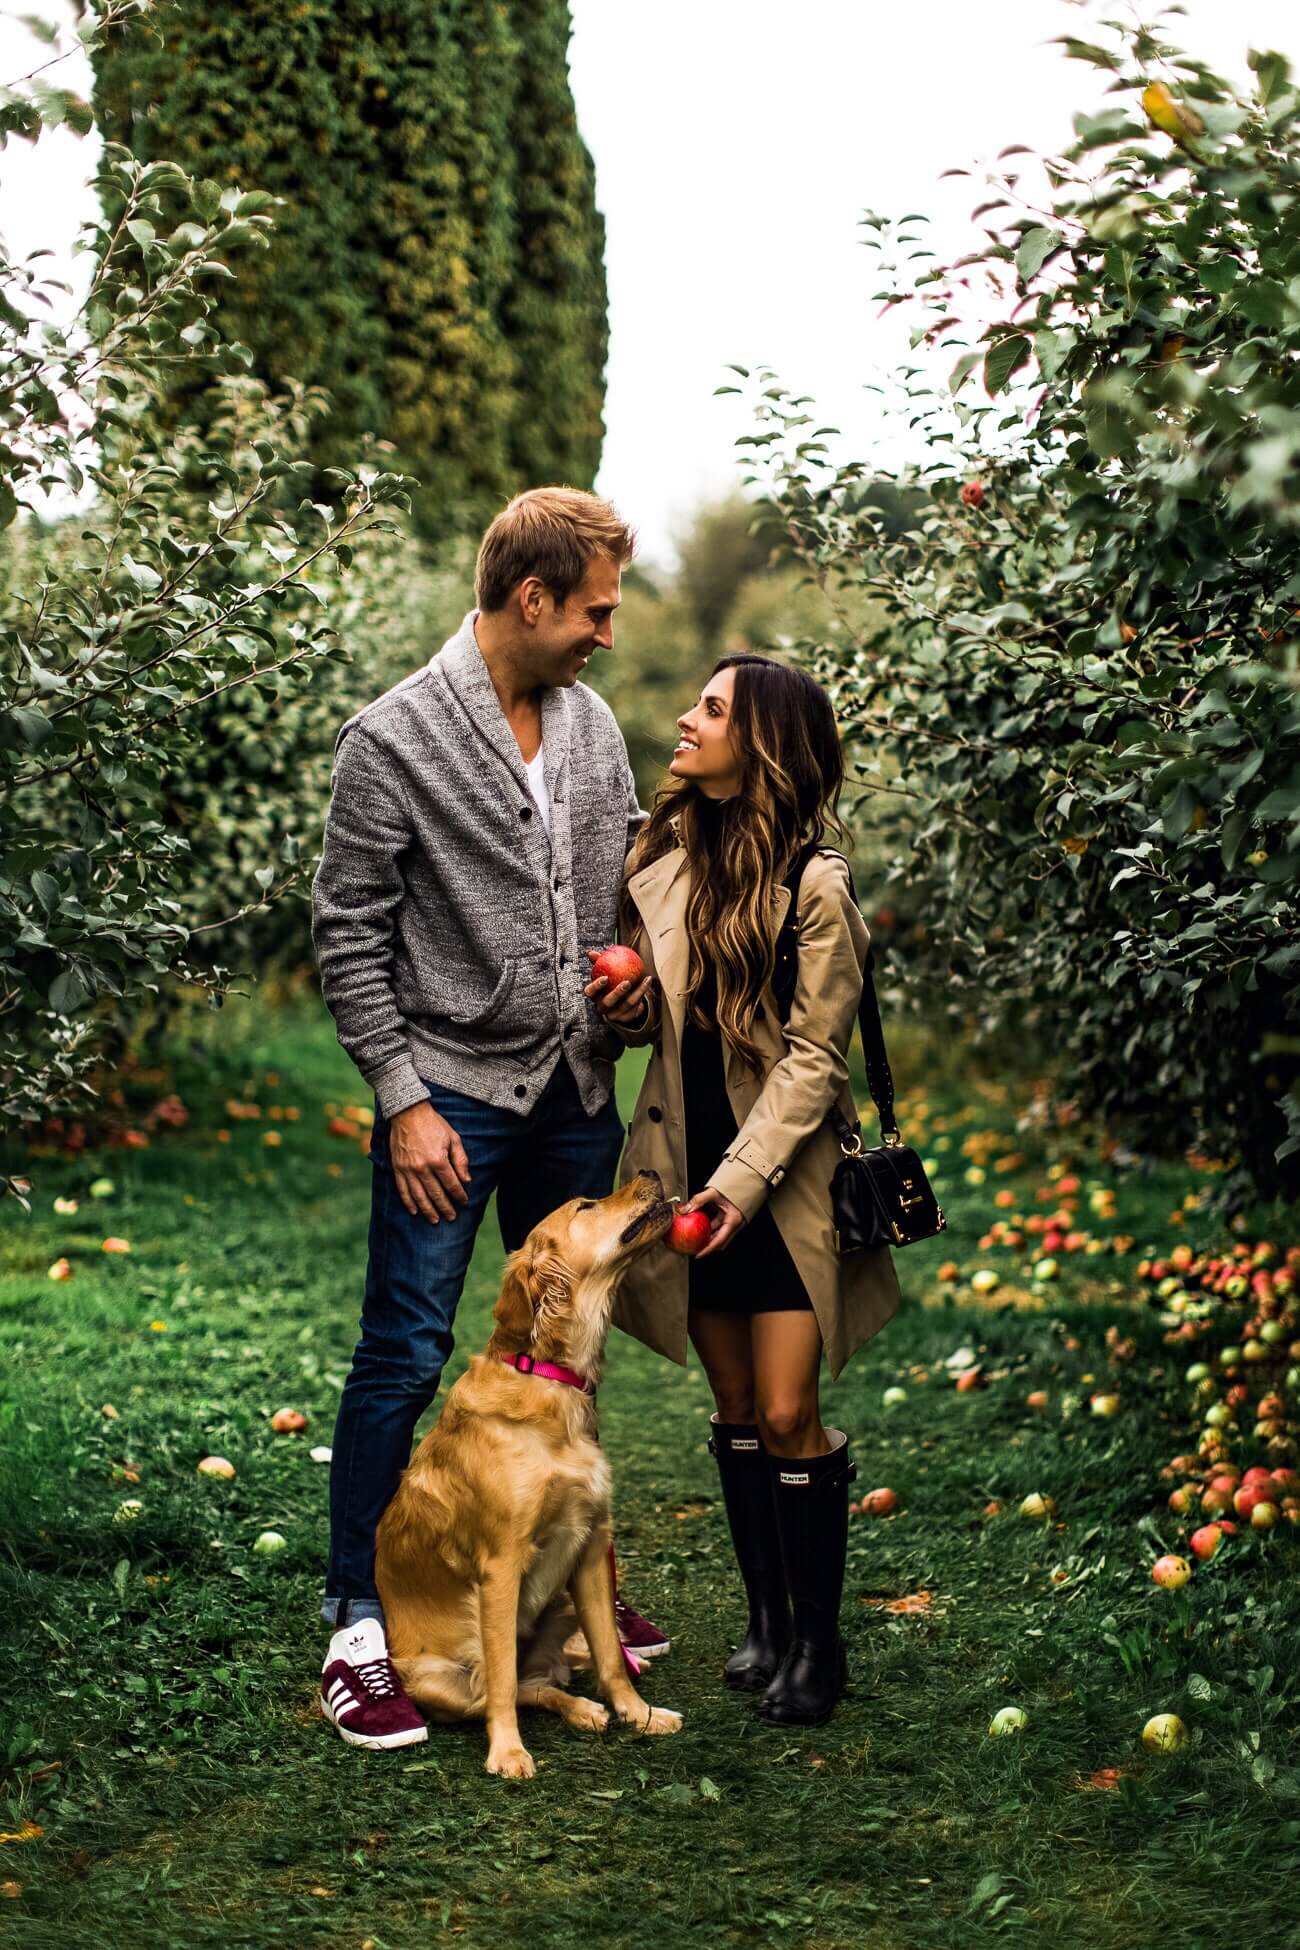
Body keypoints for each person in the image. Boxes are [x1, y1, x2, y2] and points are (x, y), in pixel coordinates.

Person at [310, 487, 669, 1751]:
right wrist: (402, 1100)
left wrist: (624, 1000)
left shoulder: (590, 727)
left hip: (573, 1088)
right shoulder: (392, 739)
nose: (605, 636)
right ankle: (360, 1621)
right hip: (453, 1093)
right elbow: (348, 937)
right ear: (532, 599)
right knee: (407, 1350)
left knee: (564, 1346)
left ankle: (571, 1574)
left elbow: (620, 893)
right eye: (594, 610)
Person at [588, 653, 902, 1728]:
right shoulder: (664, 853)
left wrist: (739, 1185)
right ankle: (766, 1621)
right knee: (731, 1409)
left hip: (780, 1180)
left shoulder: (816, 884)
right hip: (684, 1167)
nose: (684, 719)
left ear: (760, 742)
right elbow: (652, 1012)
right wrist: (625, 1010)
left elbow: (815, 1060)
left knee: (785, 1411)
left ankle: (819, 1645)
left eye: (711, 710)